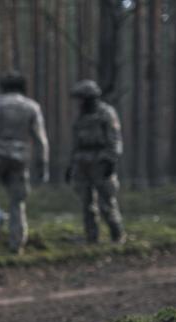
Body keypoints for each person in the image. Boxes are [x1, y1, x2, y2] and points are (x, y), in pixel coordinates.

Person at [0, 71, 49, 254]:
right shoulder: (32, 107)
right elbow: (41, 139)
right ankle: (17, 242)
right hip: (20, 158)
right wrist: (42, 164)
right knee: (18, 200)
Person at [67, 79, 125, 243]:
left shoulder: (106, 113)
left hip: (101, 161)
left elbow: (114, 138)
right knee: (86, 203)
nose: (80, 102)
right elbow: (76, 142)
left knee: (107, 203)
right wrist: (71, 165)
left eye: (82, 98)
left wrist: (111, 160)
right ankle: (91, 237)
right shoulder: (81, 117)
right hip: (82, 162)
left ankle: (117, 235)